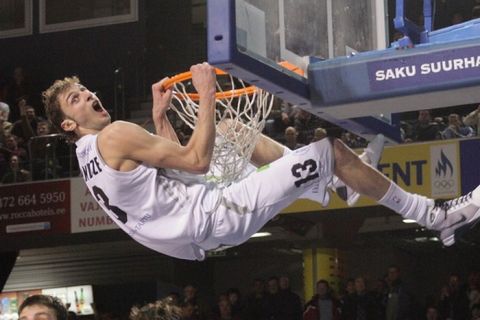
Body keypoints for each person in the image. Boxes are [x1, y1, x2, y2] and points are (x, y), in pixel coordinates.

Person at [43, 62, 480, 261]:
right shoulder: (115, 134)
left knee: (235, 132)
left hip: (193, 231)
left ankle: (336, 185)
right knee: (330, 151)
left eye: (86, 90)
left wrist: (160, 118)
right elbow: (195, 162)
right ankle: (436, 216)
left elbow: (173, 169)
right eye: (75, 99)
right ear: (67, 124)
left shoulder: (91, 157)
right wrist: (209, 91)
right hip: (210, 217)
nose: (89, 97)